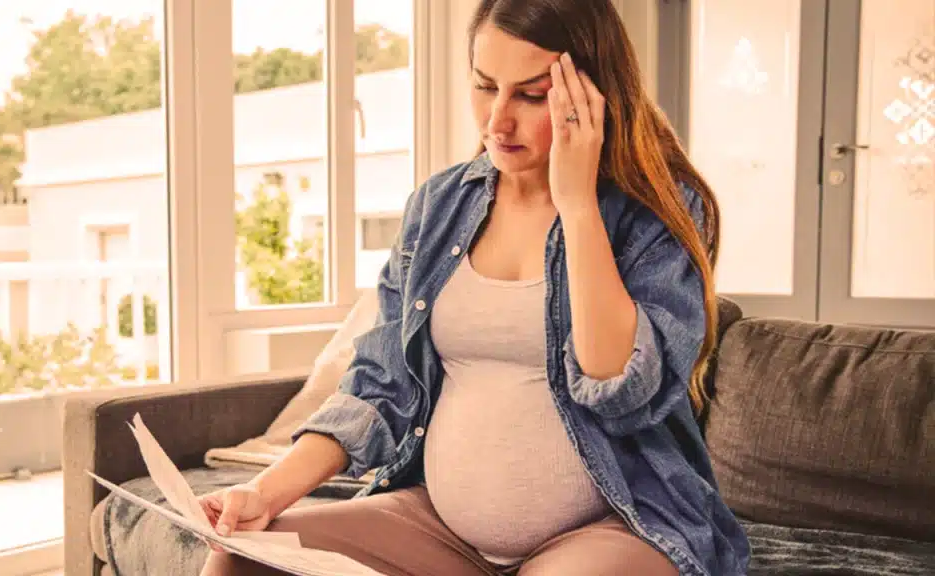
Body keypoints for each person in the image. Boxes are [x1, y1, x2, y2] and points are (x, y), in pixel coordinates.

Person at [199, 0, 751, 574]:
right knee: (239, 561)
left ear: (592, 94)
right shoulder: (440, 206)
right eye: (486, 87)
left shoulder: (660, 210)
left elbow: (620, 382)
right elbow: (381, 385)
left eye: (531, 95)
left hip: (617, 524)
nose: (497, 122)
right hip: (439, 529)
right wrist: (263, 493)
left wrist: (578, 205)